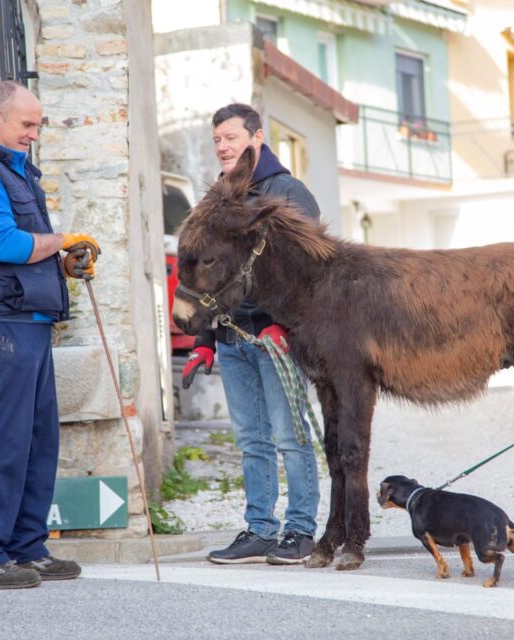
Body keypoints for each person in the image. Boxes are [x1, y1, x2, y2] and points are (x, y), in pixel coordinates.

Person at [0, 80, 99, 589]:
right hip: (4, 321)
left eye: (38, 124)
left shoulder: (14, 168)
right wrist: (61, 241)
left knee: (37, 440)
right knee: (4, 441)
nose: (34, 133)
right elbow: (4, 243)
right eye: (26, 124)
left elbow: (28, 250)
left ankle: (24, 548)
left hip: (29, 320)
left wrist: (64, 262)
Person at [183, 103, 321, 565]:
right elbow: (204, 275)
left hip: (276, 340)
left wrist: (286, 324)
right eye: (217, 140)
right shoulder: (217, 197)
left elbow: (311, 272)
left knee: (289, 436)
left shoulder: (288, 192)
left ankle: (301, 530)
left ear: (256, 137)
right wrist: (203, 339)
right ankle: (261, 529)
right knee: (251, 442)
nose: (222, 146)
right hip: (230, 339)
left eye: (230, 137)